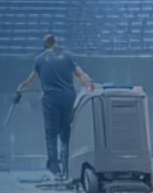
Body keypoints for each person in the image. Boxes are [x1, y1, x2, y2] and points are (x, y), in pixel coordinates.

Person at [16, 35, 96, 179]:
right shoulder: (67, 57)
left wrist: (20, 88)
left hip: (51, 99)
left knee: (51, 133)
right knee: (67, 132)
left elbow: (31, 80)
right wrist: (91, 85)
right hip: (68, 97)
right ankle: (69, 164)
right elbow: (81, 75)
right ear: (55, 43)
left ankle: (54, 166)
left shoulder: (39, 60)